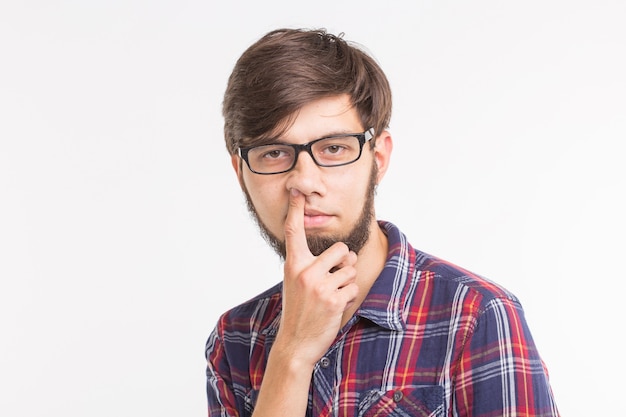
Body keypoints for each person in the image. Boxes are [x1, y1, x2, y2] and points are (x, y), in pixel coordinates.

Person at [205, 28, 560, 417]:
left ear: (378, 158)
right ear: (241, 173)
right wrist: (291, 355)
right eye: (274, 153)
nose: (304, 182)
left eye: (334, 148)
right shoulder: (235, 339)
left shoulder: (476, 316)